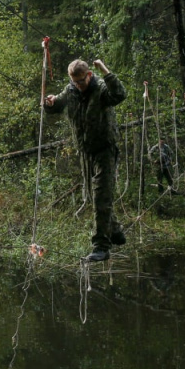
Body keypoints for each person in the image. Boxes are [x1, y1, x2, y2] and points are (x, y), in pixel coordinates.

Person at [44, 59, 127, 262]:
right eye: (74, 82)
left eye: (81, 81)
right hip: (85, 151)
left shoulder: (101, 89)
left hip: (104, 149)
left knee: (101, 195)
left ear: (88, 75)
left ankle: (101, 247)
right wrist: (50, 102)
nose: (78, 86)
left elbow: (119, 95)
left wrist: (106, 71)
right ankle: (115, 230)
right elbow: (57, 106)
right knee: (93, 196)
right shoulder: (70, 90)